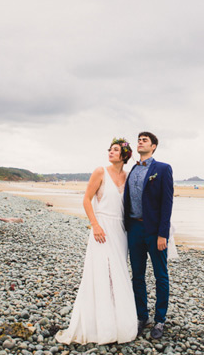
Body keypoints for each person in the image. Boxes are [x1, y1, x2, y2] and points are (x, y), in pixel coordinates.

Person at [55, 138, 137, 345]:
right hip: (101, 227)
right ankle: (98, 326)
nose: (111, 152)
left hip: (120, 231)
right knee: (100, 272)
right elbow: (86, 199)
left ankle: (119, 322)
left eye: (116, 150)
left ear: (125, 155)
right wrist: (95, 225)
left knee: (118, 273)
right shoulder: (100, 171)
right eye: (110, 149)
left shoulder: (128, 177)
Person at [124, 131, 174, 339]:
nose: (140, 142)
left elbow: (167, 202)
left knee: (160, 275)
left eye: (145, 140)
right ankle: (141, 316)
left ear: (153, 146)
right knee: (137, 275)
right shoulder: (133, 169)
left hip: (155, 231)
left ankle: (160, 319)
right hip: (134, 228)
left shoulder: (162, 169)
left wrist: (163, 234)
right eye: (139, 140)